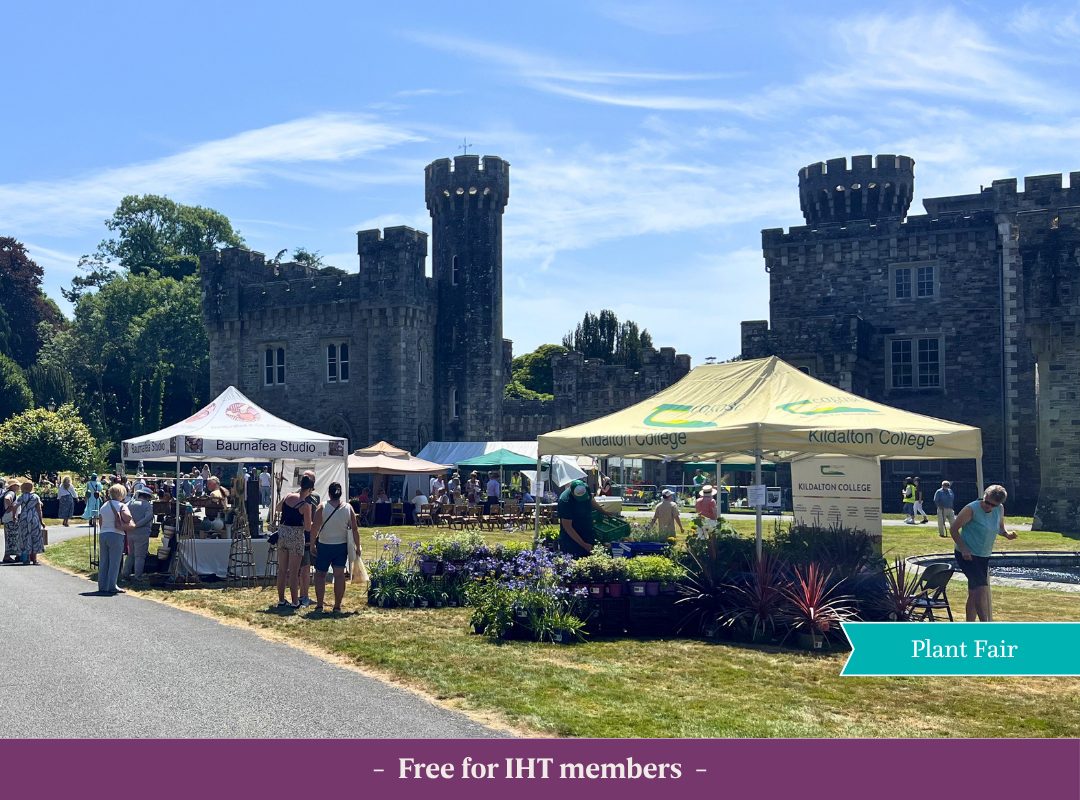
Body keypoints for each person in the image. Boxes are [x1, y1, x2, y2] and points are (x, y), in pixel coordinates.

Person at [951, 484, 1016, 621]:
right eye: (987, 503)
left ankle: (969, 625)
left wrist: (1007, 534)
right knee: (981, 589)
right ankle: (985, 624)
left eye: (993, 505)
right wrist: (963, 548)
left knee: (974, 593)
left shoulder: (999, 509)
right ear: (984, 495)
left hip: (984, 555)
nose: (989, 507)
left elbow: (1000, 528)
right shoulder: (971, 509)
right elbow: (954, 529)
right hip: (967, 555)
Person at [311, 482, 360, 613]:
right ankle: (337, 605)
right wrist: (358, 546)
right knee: (339, 576)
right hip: (341, 546)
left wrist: (311, 544)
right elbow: (355, 529)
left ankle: (320, 604)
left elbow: (314, 528)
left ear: (329, 493)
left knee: (320, 575)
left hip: (324, 545)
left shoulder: (322, 507)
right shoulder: (348, 508)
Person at [276, 473, 315, 609]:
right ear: (310, 490)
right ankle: (294, 601)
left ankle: (281, 599)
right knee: (293, 572)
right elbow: (309, 527)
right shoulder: (306, 506)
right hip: (296, 536)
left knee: (282, 570)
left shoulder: (288, 496)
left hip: (283, 534)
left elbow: (278, 508)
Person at [97, 484, 135, 594]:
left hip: (103, 533)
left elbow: (100, 521)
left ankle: (102, 585)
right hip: (116, 534)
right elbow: (128, 517)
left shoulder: (104, 505)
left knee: (104, 561)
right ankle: (112, 585)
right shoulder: (121, 505)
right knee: (115, 561)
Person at [558, 479, 600, 557]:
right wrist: (583, 544)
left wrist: (604, 512)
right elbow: (568, 527)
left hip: (587, 531)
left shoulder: (585, 488)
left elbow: (591, 500)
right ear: (572, 493)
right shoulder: (565, 501)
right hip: (571, 539)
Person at [123, 486, 155, 581]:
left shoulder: (129, 503)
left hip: (130, 532)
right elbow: (148, 518)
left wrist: (130, 525)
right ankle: (138, 575)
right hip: (142, 532)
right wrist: (137, 525)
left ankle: (125, 573)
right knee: (140, 556)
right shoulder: (147, 505)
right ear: (147, 497)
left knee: (131, 554)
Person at [3, 478, 21, 562]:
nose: (18, 487)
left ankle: (12, 555)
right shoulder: (11, 493)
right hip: (11, 518)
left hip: (7, 518)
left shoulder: (8, 492)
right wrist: (10, 507)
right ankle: (7, 556)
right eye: (17, 486)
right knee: (12, 537)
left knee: (10, 537)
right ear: (13, 486)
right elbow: (7, 498)